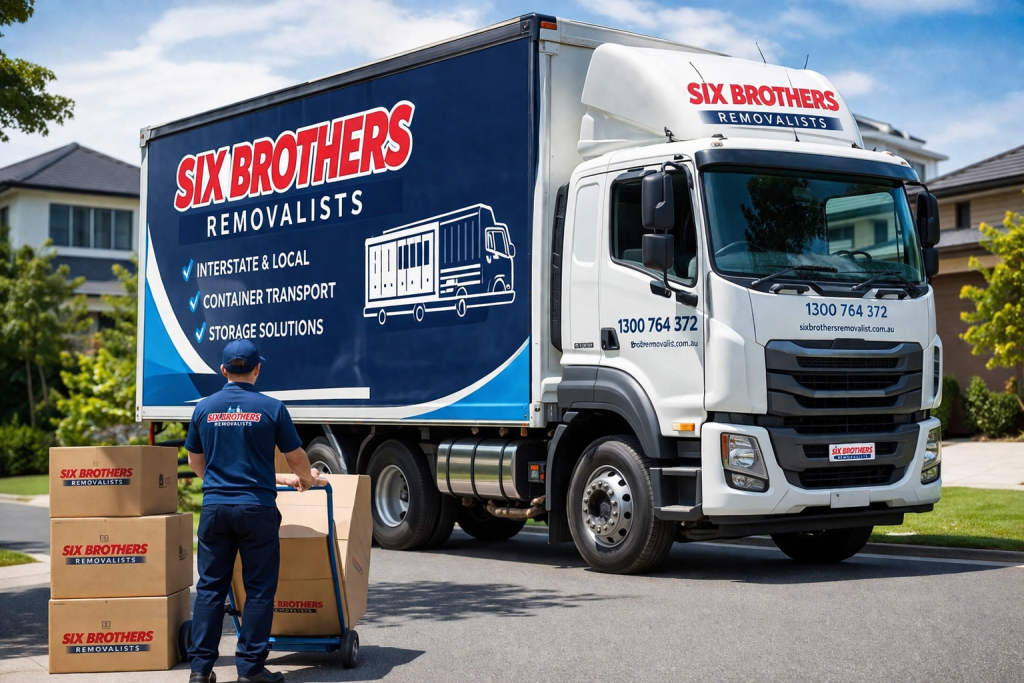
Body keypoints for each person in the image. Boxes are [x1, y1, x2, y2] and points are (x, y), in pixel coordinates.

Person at [185, 339, 320, 683]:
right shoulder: (272, 408)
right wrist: (306, 479)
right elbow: (296, 457)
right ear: (258, 369)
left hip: (215, 509)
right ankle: (250, 669)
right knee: (258, 589)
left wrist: (219, 483)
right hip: (257, 510)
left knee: (210, 589)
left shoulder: (203, 409)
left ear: (223, 370)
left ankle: (200, 671)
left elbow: (195, 461)